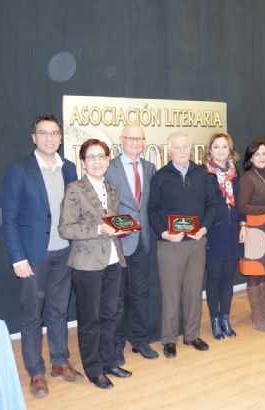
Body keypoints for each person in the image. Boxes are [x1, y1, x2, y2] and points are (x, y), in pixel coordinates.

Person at [0, 113, 83, 398]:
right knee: (32, 316)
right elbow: (8, 218)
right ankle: (36, 371)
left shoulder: (70, 169)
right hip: (33, 258)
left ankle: (59, 362)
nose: (50, 137)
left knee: (59, 311)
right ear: (34, 137)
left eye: (55, 133)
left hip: (65, 254)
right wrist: (17, 258)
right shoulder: (19, 170)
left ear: (61, 138)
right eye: (44, 133)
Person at [58, 139, 131, 390]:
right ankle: (94, 369)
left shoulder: (111, 188)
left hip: (113, 260)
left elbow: (113, 221)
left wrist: (121, 228)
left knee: (110, 315)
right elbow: (65, 228)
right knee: (90, 320)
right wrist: (98, 228)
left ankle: (109, 361)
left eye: (101, 156)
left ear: (108, 159)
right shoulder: (75, 189)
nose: (97, 161)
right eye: (91, 157)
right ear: (83, 161)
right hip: (87, 264)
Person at [148, 132, 216, 358]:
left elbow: (211, 204)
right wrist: (165, 233)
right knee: (171, 294)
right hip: (171, 245)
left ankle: (192, 335)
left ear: (190, 149)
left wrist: (204, 228)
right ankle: (168, 339)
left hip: (196, 243)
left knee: (194, 291)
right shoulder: (160, 177)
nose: (181, 151)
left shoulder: (202, 174)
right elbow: (152, 210)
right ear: (169, 151)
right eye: (176, 147)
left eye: (185, 147)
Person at [105, 125, 158, 363]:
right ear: (121, 140)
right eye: (130, 138)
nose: (135, 142)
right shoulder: (109, 167)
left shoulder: (150, 168)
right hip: (118, 242)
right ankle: (116, 347)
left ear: (144, 142)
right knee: (116, 298)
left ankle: (140, 340)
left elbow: (149, 206)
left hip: (143, 242)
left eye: (139, 138)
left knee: (141, 294)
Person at [202, 132, 246, 340]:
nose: (221, 150)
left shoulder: (235, 174)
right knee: (214, 279)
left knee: (228, 279)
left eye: (224, 146)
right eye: (216, 146)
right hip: (213, 234)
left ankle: (225, 318)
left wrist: (243, 225)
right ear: (210, 150)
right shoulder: (204, 174)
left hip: (232, 232)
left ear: (230, 150)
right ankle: (214, 320)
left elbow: (240, 203)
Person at [239, 139, 265, 332]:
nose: (261, 157)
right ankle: (257, 317)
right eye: (256, 154)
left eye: (264, 153)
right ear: (250, 157)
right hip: (255, 231)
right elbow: (242, 206)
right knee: (255, 274)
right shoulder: (247, 178)